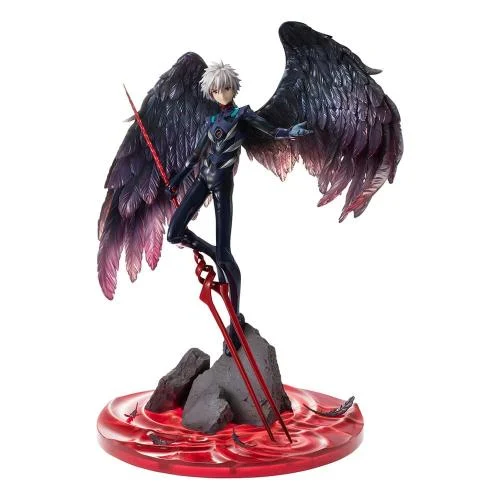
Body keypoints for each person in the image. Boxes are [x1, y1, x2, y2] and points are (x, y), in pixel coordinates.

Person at [165, 62, 312, 355]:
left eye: (226, 88)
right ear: (211, 92)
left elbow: (270, 131)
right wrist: (178, 179)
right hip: (202, 179)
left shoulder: (241, 114)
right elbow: (196, 155)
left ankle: (235, 319)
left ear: (233, 88)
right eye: (216, 90)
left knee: (226, 255)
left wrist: (290, 132)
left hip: (222, 184)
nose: (222, 94)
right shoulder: (212, 121)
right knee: (174, 233)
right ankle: (214, 252)